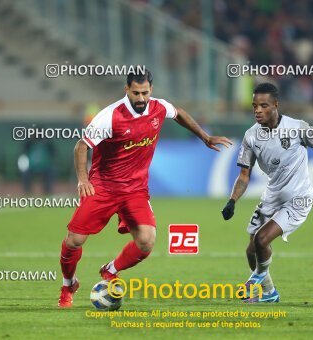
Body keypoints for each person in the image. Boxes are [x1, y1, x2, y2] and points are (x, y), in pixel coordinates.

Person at [58, 70, 232, 308]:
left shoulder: (159, 108)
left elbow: (178, 113)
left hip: (135, 190)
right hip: (103, 186)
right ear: (126, 90)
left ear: (151, 90)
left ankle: (110, 270)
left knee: (146, 241)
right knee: (74, 240)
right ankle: (68, 285)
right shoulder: (109, 116)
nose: (141, 98)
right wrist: (82, 179)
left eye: (145, 93)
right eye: (136, 93)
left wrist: (204, 136)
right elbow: (81, 146)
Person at [221, 83, 313, 303]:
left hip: (298, 199)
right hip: (272, 197)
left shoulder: (297, 127)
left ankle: (254, 279)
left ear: (276, 105)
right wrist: (232, 201)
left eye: (263, 105)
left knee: (262, 239)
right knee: (252, 251)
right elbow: (243, 176)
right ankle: (269, 293)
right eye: (254, 106)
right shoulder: (251, 136)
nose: (257, 110)